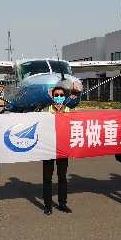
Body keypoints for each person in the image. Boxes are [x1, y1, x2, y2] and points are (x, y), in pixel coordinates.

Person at [42, 86, 72, 215]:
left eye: (61, 94)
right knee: (47, 178)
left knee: (62, 177)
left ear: (64, 96)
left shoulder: (69, 110)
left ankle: (62, 203)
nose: (58, 97)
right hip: (48, 148)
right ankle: (48, 205)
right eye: (56, 95)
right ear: (52, 96)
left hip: (62, 148)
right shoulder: (45, 110)